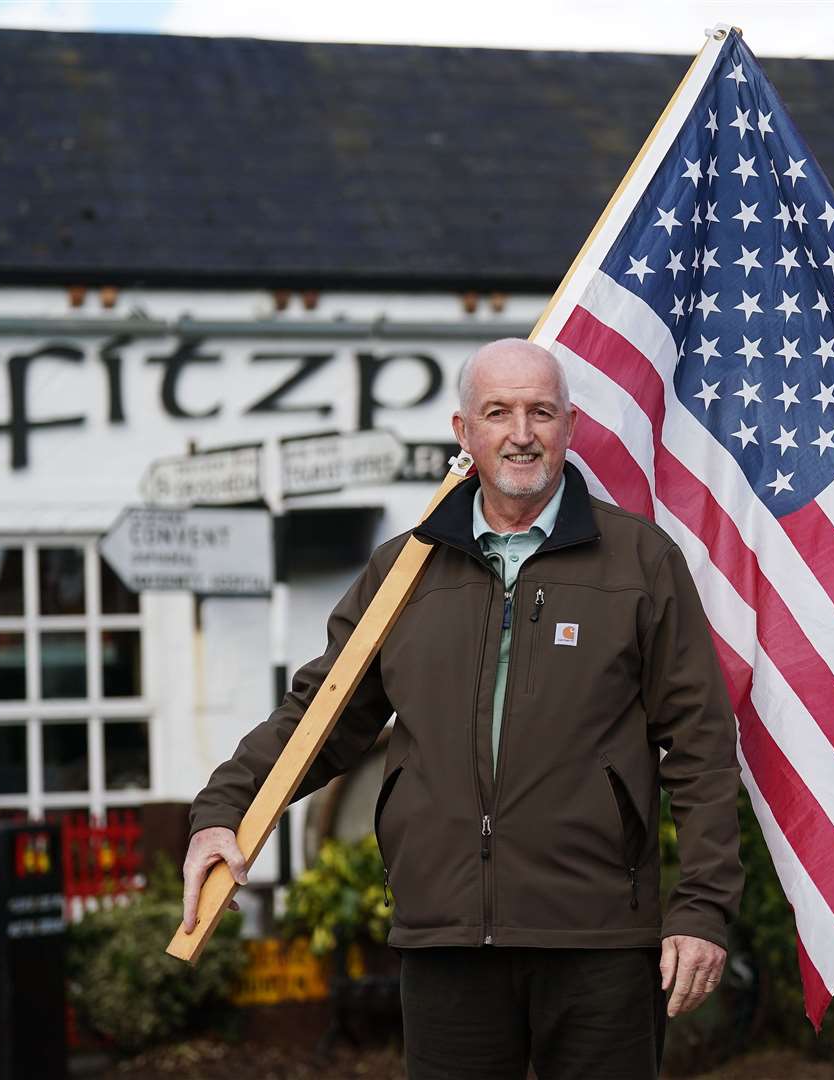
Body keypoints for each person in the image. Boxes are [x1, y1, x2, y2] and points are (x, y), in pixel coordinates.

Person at [181, 338, 744, 1079]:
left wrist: (702, 910)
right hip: (444, 936)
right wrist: (222, 810)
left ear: (569, 428)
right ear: (463, 432)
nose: (520, 433)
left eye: (541, 412)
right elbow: (320, 715)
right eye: (497, 412)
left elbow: (699, 742)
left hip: (598, 938)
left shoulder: (639, 562)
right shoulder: (403, 569)